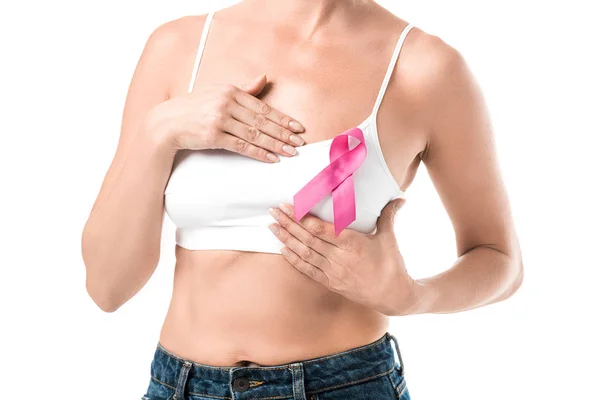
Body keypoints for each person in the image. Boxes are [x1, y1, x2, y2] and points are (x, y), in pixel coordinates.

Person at [81, 0, 524, 399]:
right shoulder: (177, 46)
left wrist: (410, 296)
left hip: (344, 386)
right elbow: (107, 287)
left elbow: (501, 260)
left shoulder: (424, 67)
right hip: (178, 387)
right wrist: (159, 131)